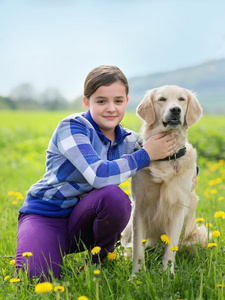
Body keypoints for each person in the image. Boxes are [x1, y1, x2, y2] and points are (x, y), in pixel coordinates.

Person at [15, 65, 177, 281]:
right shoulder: (72, 127)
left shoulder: (129, 139)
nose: (111, 108)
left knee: (115, 198)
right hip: (47, 215)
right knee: (35, 279)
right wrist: (145, 154)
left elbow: (160, 159)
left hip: (85, 219)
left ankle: (100, 258)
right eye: (101, 101)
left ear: (126, 102)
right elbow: (99, 175)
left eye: (118, 101)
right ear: (86, 102)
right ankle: (47, 245)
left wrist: (188, 169)